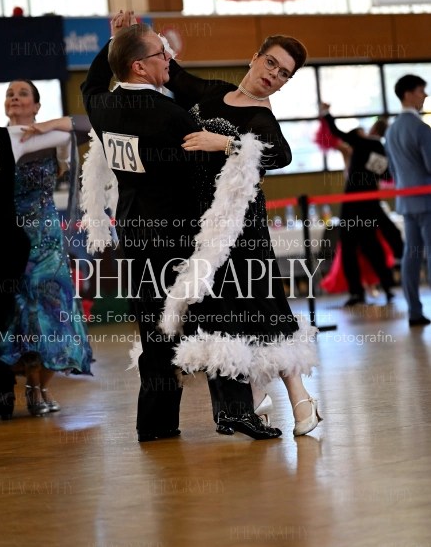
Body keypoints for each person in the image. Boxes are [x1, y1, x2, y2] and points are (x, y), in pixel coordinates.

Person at [80, 12, 281, 442]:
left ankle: (155, 423)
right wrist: (231, 148)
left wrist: (114, 41)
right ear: (139, 66)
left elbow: (91, 83)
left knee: (154, 330)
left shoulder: (103, 106)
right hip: (181, 239)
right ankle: (233, 413)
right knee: (217, 320)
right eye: (160, 53)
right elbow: (204, 174)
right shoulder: (170, 115)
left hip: (134, 235)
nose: (168, 58)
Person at [159, 32, 321, 436]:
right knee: (227, 315)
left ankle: (301, 400)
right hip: (202, 227)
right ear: (255, 58)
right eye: (271, 63)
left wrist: (226, 143)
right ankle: (252, 396)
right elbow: (173, 74)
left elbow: (281, 154)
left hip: (243, 228)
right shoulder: (214, 91)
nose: (273, 75)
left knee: (266, 309)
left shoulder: (261, 119)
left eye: (283, 74)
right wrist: (132, 37)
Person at [0, 80, 93, 417]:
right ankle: (29, 387)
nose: (15, 97)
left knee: (51, 310)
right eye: (10, 94)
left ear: (36, 105)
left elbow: (89, 124)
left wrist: (47, 125)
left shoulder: (54, 138)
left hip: (48, 241)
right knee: (21, 311)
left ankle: (42, 388)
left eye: (23, 93)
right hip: (10, 240)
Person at [319, 113, 403, 299]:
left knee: (349, 249)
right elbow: (387, 176)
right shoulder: (379, 148)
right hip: (369, 205)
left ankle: (356, 293)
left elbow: (337, 132)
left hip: (352, 205)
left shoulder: (362, 142)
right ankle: (387, 287)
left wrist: (326, 115)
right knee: (372, 247)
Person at [385, 74, 431, 327]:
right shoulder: (421, 129)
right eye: (421, 90)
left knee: (411, 255)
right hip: (427, 199)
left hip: (406, 201)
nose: (425, 95)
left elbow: (392, 171)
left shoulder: (391, 130)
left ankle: (414, 311)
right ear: (409, 94)